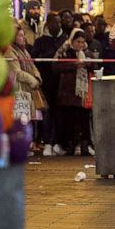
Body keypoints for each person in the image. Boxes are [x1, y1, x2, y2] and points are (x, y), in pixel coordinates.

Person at [55, 31, 96, 156]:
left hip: (83, 93)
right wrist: (74, 65)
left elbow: (96, 66)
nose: (81, 44)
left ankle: (84, 145)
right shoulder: (65, 52)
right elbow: (55, 67)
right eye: (78, 41)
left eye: (83, 42)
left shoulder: (87, 54)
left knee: (84, 120)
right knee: (70, 121)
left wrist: (88, 63)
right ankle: (70, 146)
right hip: (69, 92)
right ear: (72, 42)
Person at [10, 23, 47, 153]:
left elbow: (33, 66)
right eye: (20, 35)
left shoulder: (24, 51)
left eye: (23, 35)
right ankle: (21, 146)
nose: (23, 38)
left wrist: (37, 77)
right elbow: (17, 72)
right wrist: (32, 80)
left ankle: (30, 143)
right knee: (21, 120)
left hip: (29, 89)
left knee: (30, 119)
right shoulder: (10, 51)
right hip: (20, 90)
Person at [33, 13, 67, 156]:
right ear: (48, 24)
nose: (58, 25)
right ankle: (47, 142)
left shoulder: (65, 39)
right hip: (47, 81)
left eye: (59, 22)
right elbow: (36, 58)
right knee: (47, 113)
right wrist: (52, 53)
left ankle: (57, 142)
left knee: (60, 113)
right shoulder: (41, 41)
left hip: (62, 82)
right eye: (55, 22)